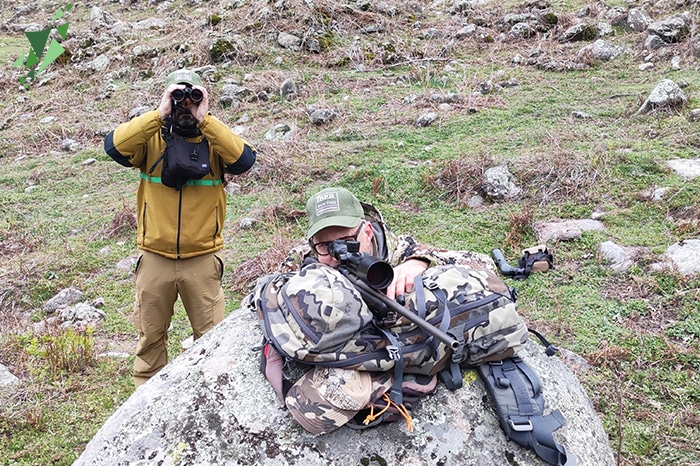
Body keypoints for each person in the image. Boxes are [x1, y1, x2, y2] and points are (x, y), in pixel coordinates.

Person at [104, 69, 257, 387]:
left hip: (202, 260)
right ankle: (146, 406)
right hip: (154, 259)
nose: (185, 104)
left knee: (214, 342)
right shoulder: (150, 140)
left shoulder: (213, 141)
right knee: (150, 343)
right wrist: (159, 114)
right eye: (178, 97)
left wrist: (206, 120)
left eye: (192, 97)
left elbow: (244, 161)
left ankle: (214, 401)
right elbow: (113, 147)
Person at [283, 186, 495, 301]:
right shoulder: (304, 257)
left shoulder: (399, 251)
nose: (336, 255)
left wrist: (420, 262)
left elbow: (485, 264)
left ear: (367, 231)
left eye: (347, 242)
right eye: (325, 246)